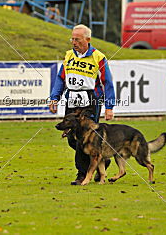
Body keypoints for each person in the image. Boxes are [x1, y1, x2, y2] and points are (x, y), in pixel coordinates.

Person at [50, 24, 116, 185]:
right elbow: (61, 78)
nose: (73, 42)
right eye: (72, 39)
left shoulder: (98, 57)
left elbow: (107, 82)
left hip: (90, 101)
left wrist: (109, 106)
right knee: (72, 139)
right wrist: (54, 98)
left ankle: (82, 174)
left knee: (86, 138)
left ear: (87, 40)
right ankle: (102, 160)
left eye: (77, 39)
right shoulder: (68, 56)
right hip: (72, 100)